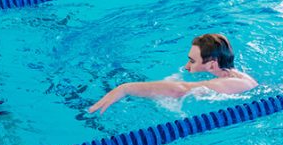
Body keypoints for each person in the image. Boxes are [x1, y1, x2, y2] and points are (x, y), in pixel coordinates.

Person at [87, 33, 257, 114]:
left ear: (212, 65)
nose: (186, 67)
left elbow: (180, 89)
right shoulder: (229, 74)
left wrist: (125, 89)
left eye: (192, 61)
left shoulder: (234, 83)